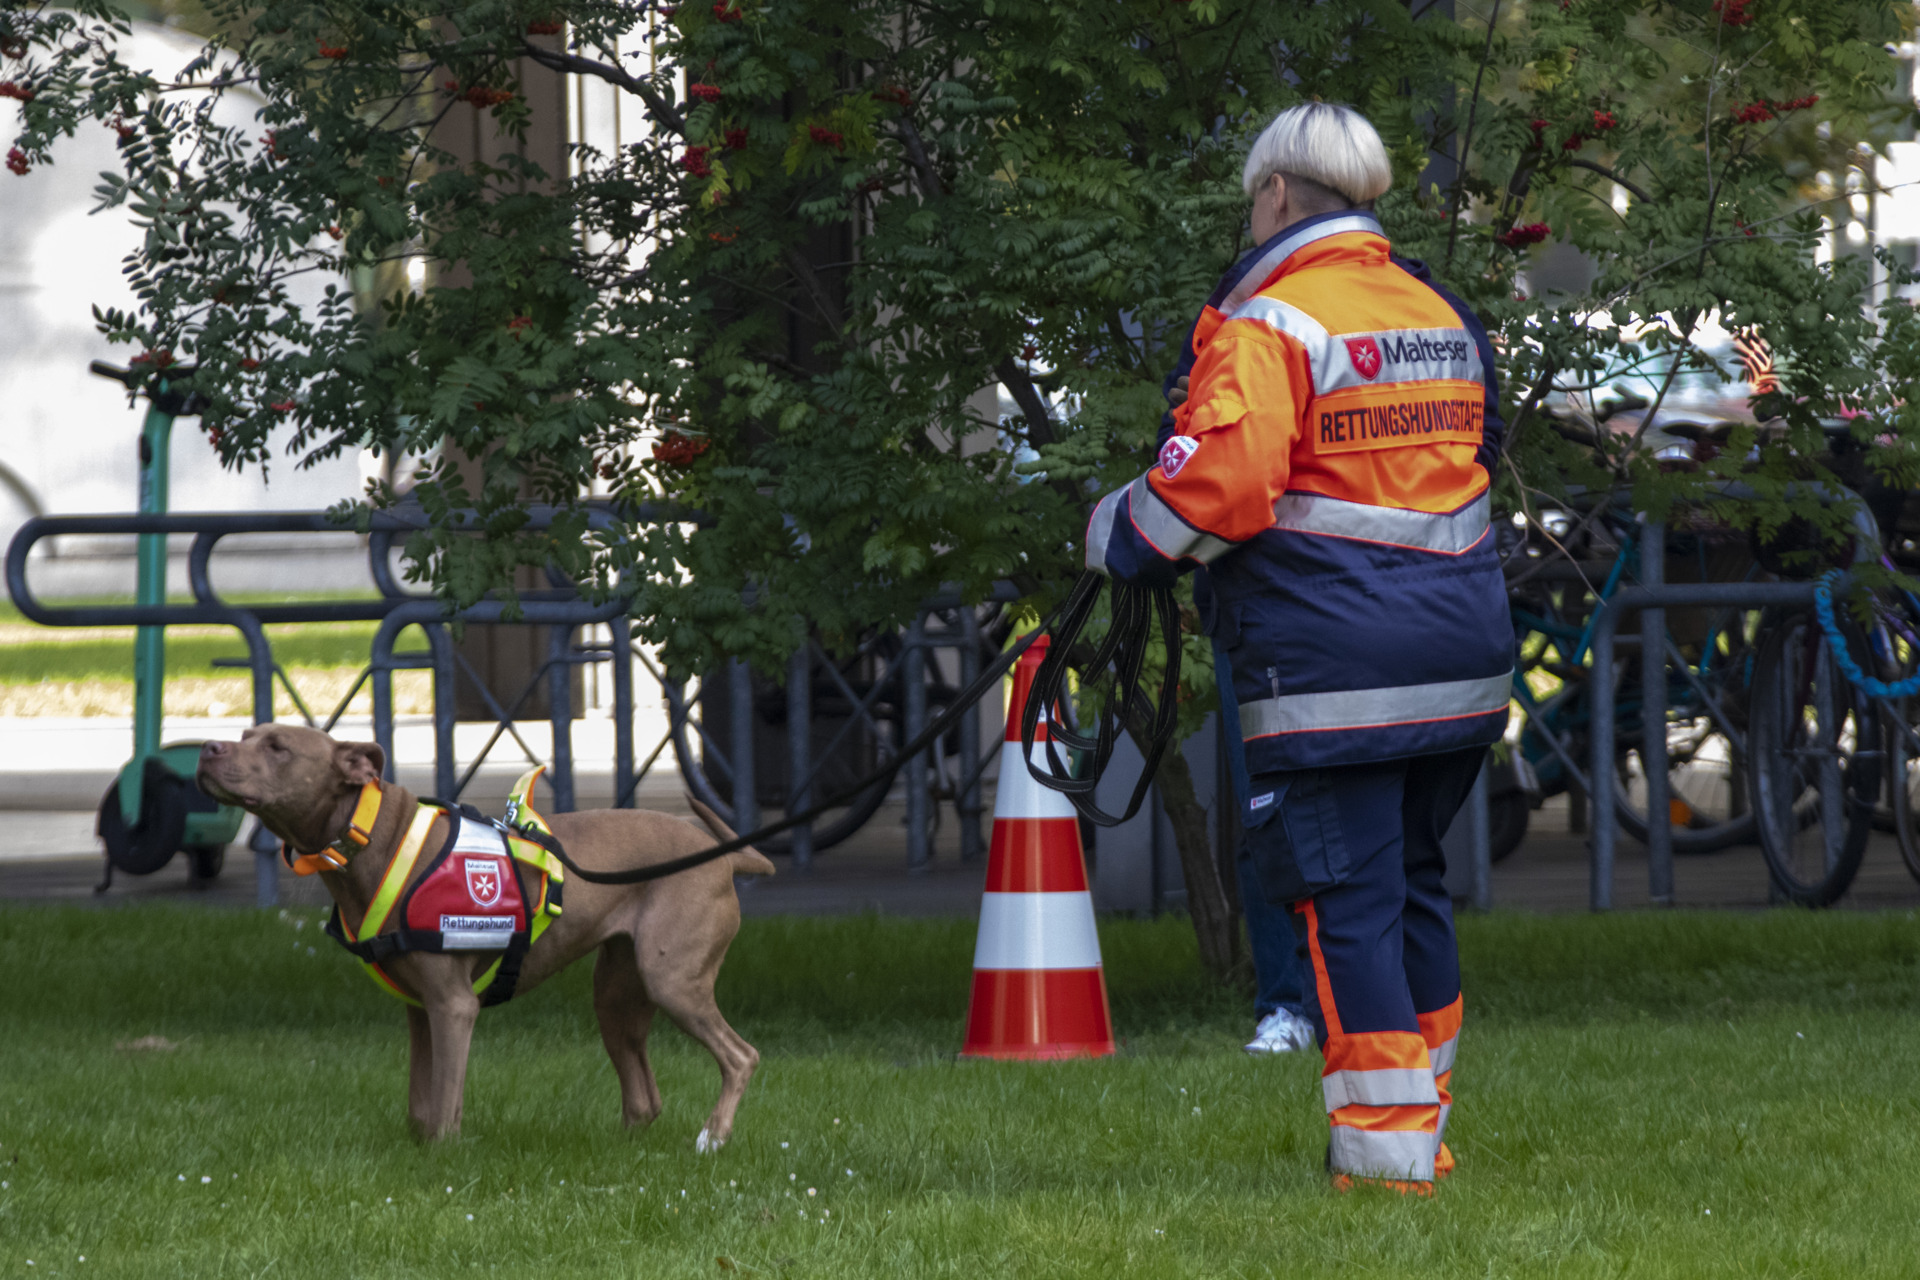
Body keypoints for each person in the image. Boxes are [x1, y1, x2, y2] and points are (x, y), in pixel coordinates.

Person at [1086, 103, 1511, 1193]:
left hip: (1334, 679)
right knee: (1414, 889)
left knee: (1350, 907)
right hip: (1460, 660)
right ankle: (1427, 1131)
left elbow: (1214, 490)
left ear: (1276, 193)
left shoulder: (1272, 322)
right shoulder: (1436, 309)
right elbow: (1478, 453)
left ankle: (1383, 1164)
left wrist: (1116, 533)